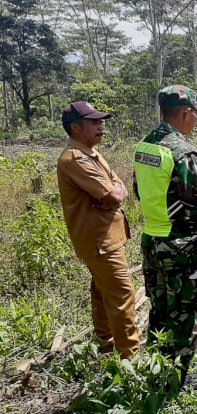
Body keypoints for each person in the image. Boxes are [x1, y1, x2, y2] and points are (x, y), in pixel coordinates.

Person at [133, 85, 197, 389]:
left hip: (151, 241)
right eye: (195, 115)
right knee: (187, 313)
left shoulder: (144, 146)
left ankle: (156, 371)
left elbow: (138, 191)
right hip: (180, 247)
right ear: (186, 113)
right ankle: (178, 380)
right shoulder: (182, 151)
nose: (196, 121)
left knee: (160, 308)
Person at [57, 101, 140, 358]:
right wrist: (115, 190)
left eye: (100, 121)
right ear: (75, 128)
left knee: (102, 291)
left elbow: (117, 186)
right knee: (122, 294)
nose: (101, 126)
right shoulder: (74, 159)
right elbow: (114, 195)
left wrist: (115, 189)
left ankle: (106, 342)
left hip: (106, 239)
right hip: (98, 242)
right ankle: (131, 356)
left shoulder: (92, 153)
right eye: (94, 122)